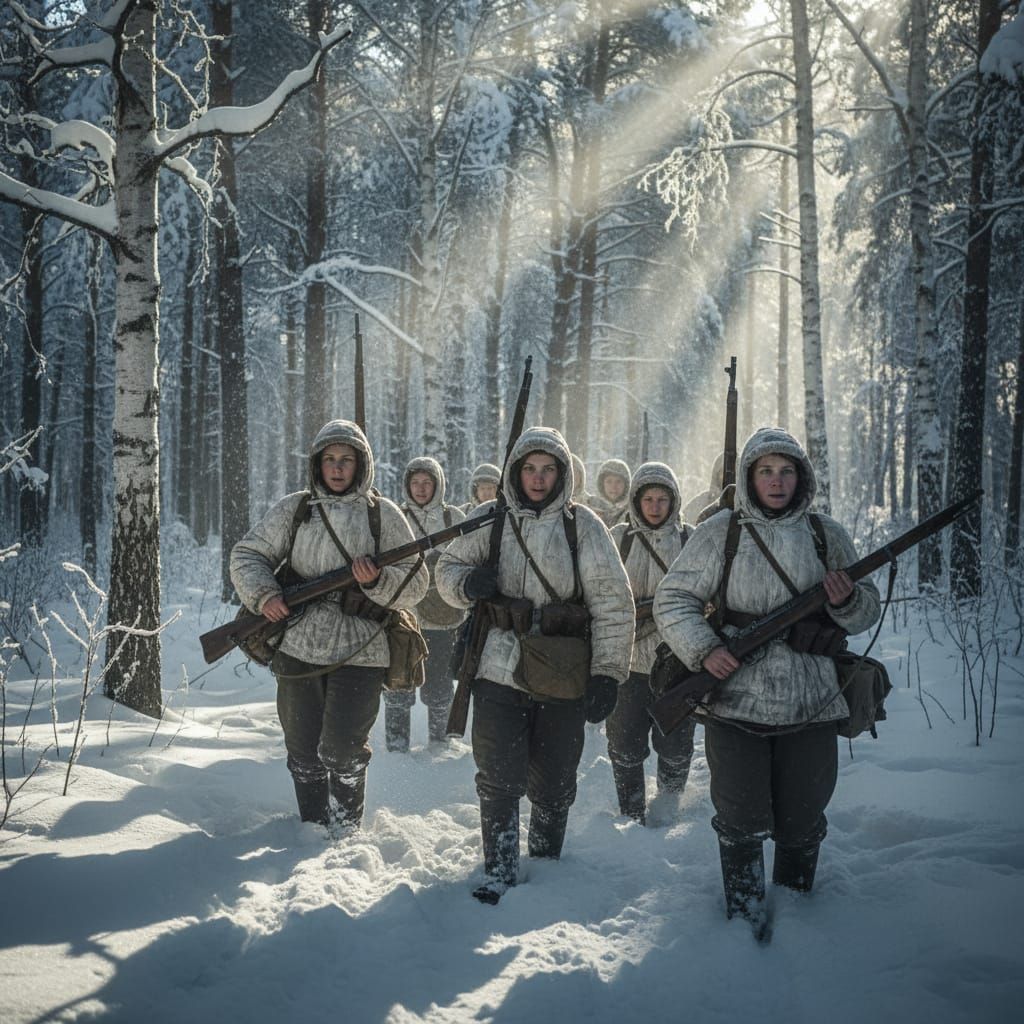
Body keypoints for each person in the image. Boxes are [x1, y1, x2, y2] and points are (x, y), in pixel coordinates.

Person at [653, 427, 880, 939]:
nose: (776, 482)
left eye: (786, 471)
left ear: (801, 476)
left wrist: (844, 602)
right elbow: (673, 600)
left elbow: (866, 610)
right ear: (748, 477)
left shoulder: (827, 535)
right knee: (739, 817)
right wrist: (704, 650)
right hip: (735, 701)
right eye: (765, 471)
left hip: (813, 700)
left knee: (803, 818)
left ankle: (798, 921)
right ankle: (745, 922)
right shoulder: (720, 532)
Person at [437, 427, 634, 903]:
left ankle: (546, 868)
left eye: (548, 469)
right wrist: (469, 585)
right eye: (529, 468)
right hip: (497, 668)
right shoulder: (490, 519)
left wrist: (608, 672)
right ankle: (500, 870)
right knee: (498, 775)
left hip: (562, 673)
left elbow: (613, 603)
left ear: (562, 473)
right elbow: (445, 571)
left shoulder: (583, 526)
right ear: (515, 471)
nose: (539, 478)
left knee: (554, 779)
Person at [230, 420, 428, 830]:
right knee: (302, 752)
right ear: (317, 465)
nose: (338, 468)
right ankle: (312, 832)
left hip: (363, 646)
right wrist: (265, 596)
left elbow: (416, 580)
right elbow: (248, 555)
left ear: (362, 465)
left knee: (342, 750)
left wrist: (376, 581)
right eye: (330, 460)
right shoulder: (295, 510)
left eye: (347, 460)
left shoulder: (382, 515)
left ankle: (345, 833)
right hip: (299, 643)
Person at [607, 462, 694, 825]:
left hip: (677, 664)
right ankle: (631, 814)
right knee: (624, 746)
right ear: (636, 501)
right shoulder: (617, 538)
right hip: (627, 664)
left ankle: (669, 808)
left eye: (662, 499)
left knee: (675, 747)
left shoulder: (692, 540)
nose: (655, 506)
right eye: (648, 498)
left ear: (673, 501)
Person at [385, 456, 467, 750]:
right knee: (397, 685)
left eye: (427, 483)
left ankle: (440, 746)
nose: (421, 489)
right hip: (401, 620)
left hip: (443, 619)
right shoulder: (394, 516)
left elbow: (466, 561)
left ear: (438, 485)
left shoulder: (454, 518)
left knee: (440, 688)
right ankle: (396, 749)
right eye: (415, 483)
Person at [682, 451, 724, 525]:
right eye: (722, 472)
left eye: (735, 470)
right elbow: (683, 524)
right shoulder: (701, 502)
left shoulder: (748, 504)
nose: (728, 475)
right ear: (716, 474)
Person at [587, 458, 631, 528]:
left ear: (626, 485)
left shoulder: (632, 512)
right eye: (609, 481)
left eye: (618, 481)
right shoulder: (590, 509)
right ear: (602, 484)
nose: (613, 487)